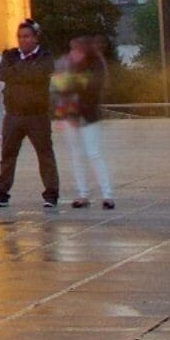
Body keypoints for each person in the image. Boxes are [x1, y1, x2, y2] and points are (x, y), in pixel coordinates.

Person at [0, 21, 58, 208]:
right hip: (13, 114)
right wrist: (25, 69)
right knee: (8, 155)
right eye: (20, 37)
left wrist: (18, 71)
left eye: (26, 36)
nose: (23, 40)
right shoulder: (10, 55)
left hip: (37, 115)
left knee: (44, 155)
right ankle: (1, 193)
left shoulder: (45, 56)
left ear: (35, 38)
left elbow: (40, 74)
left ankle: (51, 194)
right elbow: (2, 74)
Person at [56, 34, 116, 210]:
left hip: (88, 117)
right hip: (70, 116)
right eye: (72, 49)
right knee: (76, 155)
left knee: (93, 153)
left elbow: (91, 90)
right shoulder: (68, 66)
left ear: (85, 52)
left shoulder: (94, 66)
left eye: (77, 50)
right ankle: (82, 193)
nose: (73, 53)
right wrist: (64, 114)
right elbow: (59, 87)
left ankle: (107, 194)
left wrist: (76, 109)